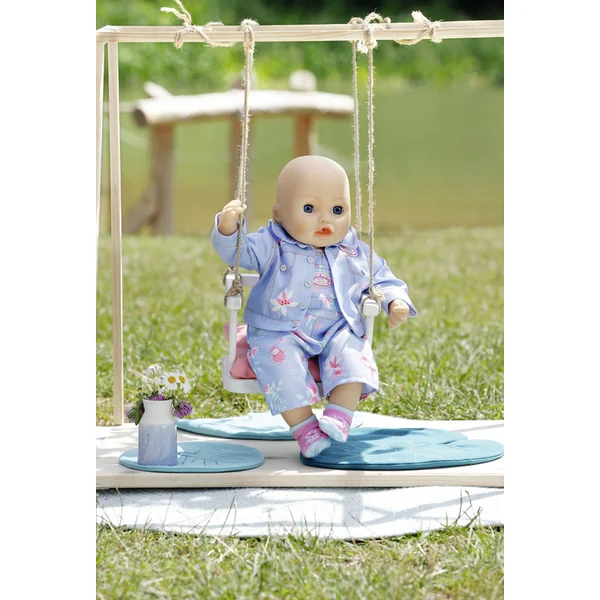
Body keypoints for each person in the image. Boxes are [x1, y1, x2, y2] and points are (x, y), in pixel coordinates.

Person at [212, 155, 417, 458]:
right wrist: (229, 229)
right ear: (278, 213)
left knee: (354, 354)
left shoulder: (353, 250)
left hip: (336, 328)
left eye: (338, 210)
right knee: (277, 363)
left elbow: (382, 277)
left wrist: (395, 300)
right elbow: (238, 253)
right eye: (309, 209)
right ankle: (305, 428)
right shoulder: (272, 243)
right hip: (280, 329)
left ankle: (340, 415)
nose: (326, 220)